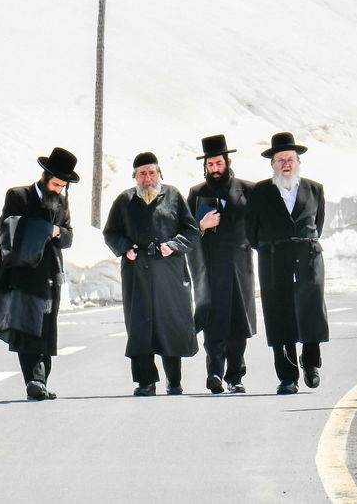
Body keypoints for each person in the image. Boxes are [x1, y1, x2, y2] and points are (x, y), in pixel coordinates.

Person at [103, 151, 200, 395]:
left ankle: (174, 381)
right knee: (140, 326)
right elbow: (111, 232)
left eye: (152, 173)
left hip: (169, 273)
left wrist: (174, 245)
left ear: (159, 173)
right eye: (142, 174)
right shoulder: (124, 200)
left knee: (170, 324)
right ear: (135, 176)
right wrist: (125, 249)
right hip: (137, 273)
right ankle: (146, 382)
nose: (148, 178)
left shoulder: (173, 196)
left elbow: (191, 230)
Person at [0, 146, 77, 400]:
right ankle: (34, 380)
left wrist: (58, 232)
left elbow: (68, 237)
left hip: (50, 275)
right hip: (22, 273)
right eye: (56, 185)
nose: (59, 190)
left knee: (47, 328)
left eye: (63, 187)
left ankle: (41, 382)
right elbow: (7, 228)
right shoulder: (18, 196)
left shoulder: (62, 203)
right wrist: (44, 229)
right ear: (45, 178)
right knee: (26, 327)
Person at [245, 132, 330, 394]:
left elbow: (318, 225)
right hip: (274, 259)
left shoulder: (315, 189)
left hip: (308, 257)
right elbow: (251, 231)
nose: (286, 164)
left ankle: (311, 363)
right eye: (280, 159)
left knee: (312, 310)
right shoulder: (260, 191)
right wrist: (274, 247)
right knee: (279, 315)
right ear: (272, 164)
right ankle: (287, 376)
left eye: (290, 159)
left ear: (298, 162)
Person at [186, 133, 257, 394]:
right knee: (214, 323)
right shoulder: (197, 193)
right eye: (210, 165)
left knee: (238, 325)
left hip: (240, 267)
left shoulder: (248, 190)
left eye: (218, 163)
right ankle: (214, 373)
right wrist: (201, 226)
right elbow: (185, 230)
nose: (214, 169)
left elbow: (259, 225)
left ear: (228, 162)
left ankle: (235, 376)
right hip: (210, 268)